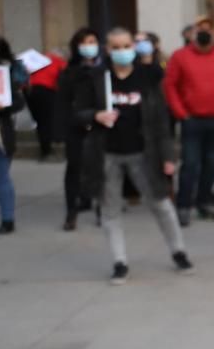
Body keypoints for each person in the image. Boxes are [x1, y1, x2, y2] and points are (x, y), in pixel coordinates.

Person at [77, 29, 192, 284]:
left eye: (126, 45)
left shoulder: (148, 77)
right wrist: (95, 116)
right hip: (106, 153)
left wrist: (168, 156)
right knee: (110, 209)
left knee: (161, 203)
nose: (122, 51)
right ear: (108, 50)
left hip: (144, 153)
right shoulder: (97, 78)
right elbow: (78, 111)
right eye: (116, 47)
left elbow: (161, 121)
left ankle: (178, 251)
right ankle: (119, 262)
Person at [165, 20, 214, 226]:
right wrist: (181, 113)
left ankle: (204, 203)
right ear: (192, 34)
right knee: (190, 164)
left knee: (213, 164)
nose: (204, 34)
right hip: (192, 119)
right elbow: (170, 86)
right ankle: (183, 205)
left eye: (209, 31)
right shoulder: (180, 56)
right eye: (200, 31)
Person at [58, 28, 100, 230]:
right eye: (84, 42)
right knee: (74, 168)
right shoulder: (69, 72)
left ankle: (100, 207)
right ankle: (71, 212)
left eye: (92, 42)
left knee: (100, 167)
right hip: (75, 125)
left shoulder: (104, 69)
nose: (89, 46)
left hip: (100, 123)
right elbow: (64, 102)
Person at [0, 38, 27, 234]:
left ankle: (8, 219)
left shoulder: (5, 74)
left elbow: (18, 103)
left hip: (1, 134)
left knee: (1, 178)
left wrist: (4, 106)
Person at [25, 48, 61, 161]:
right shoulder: (57, 61)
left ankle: (45, 149)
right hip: (46, 91)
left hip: (29, 92)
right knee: (46, 122)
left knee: (40, 122)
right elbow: (64, 76)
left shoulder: (36, 61)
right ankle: (47, 151)